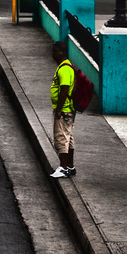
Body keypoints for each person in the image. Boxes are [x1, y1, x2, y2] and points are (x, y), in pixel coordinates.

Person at [50, 39, 77, 178]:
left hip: (64, 110)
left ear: (59, 53)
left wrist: (59, 110)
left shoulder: (65, 69)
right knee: (68, 138)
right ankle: (70, 166)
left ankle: (63, 167)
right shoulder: (64, 66)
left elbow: (64, 90)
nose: (52, 55)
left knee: (62, 139)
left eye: (54, 52)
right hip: (67, 110)